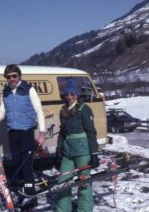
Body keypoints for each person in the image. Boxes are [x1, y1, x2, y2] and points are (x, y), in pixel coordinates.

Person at [0, 64, 46, 209]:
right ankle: (22, 193)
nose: (12, 79)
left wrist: (42, 133)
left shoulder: (29, 90)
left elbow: (39, 112)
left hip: (26, 132)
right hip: (12, 133)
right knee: (16, 164)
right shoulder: (6, 92)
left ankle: (30, 197)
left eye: (14, 76)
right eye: (9, 77)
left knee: (26, 167)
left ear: (19, 75)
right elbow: (2, 113)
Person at [55, 79, 100, 212]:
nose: (69, 97)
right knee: (62, 182)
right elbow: (62, 132)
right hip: (68, 151)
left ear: (77, 94)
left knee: (84, 182)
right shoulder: (63, 110)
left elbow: (91, 132)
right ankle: (63, 209)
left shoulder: (84, 109)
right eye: (67, 94)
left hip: (83, 151)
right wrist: (59, 150)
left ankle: (84, 209)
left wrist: (94, 154)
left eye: (72, 94)